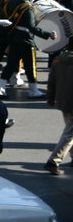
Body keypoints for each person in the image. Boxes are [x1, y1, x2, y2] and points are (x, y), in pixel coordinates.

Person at [45, 46, 73, 174]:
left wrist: (50, 97)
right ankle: (54, 161)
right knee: (70, 133)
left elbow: (51, 81)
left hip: (63, 101)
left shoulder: (58, 60)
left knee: (69, 128)